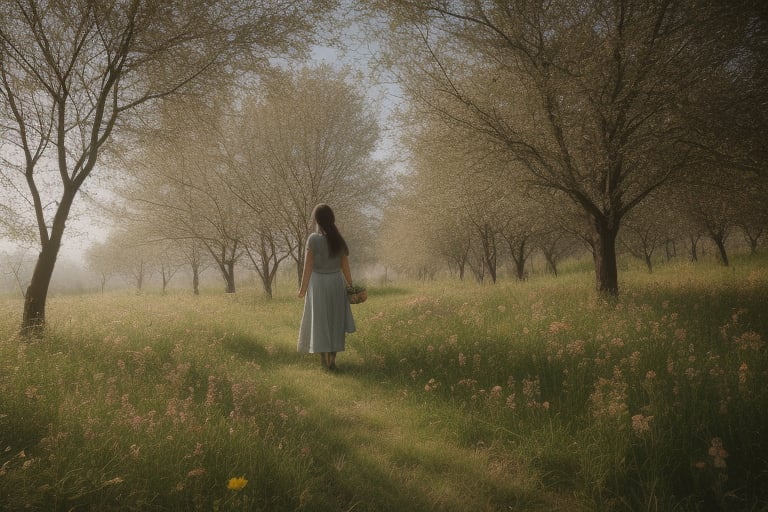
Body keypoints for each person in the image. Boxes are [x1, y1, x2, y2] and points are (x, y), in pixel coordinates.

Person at [297, 204, 356, 370]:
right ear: (332, 218)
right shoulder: (338, 238)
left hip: (317, 285)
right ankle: (332, 361)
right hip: (336, 283)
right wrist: (352, 287)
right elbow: (345, 266)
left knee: (320, 321)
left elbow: (308, 266)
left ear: (317, 220)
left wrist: (302, 289)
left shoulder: (313, 239)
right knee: (335, 320)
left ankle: (324, 360)